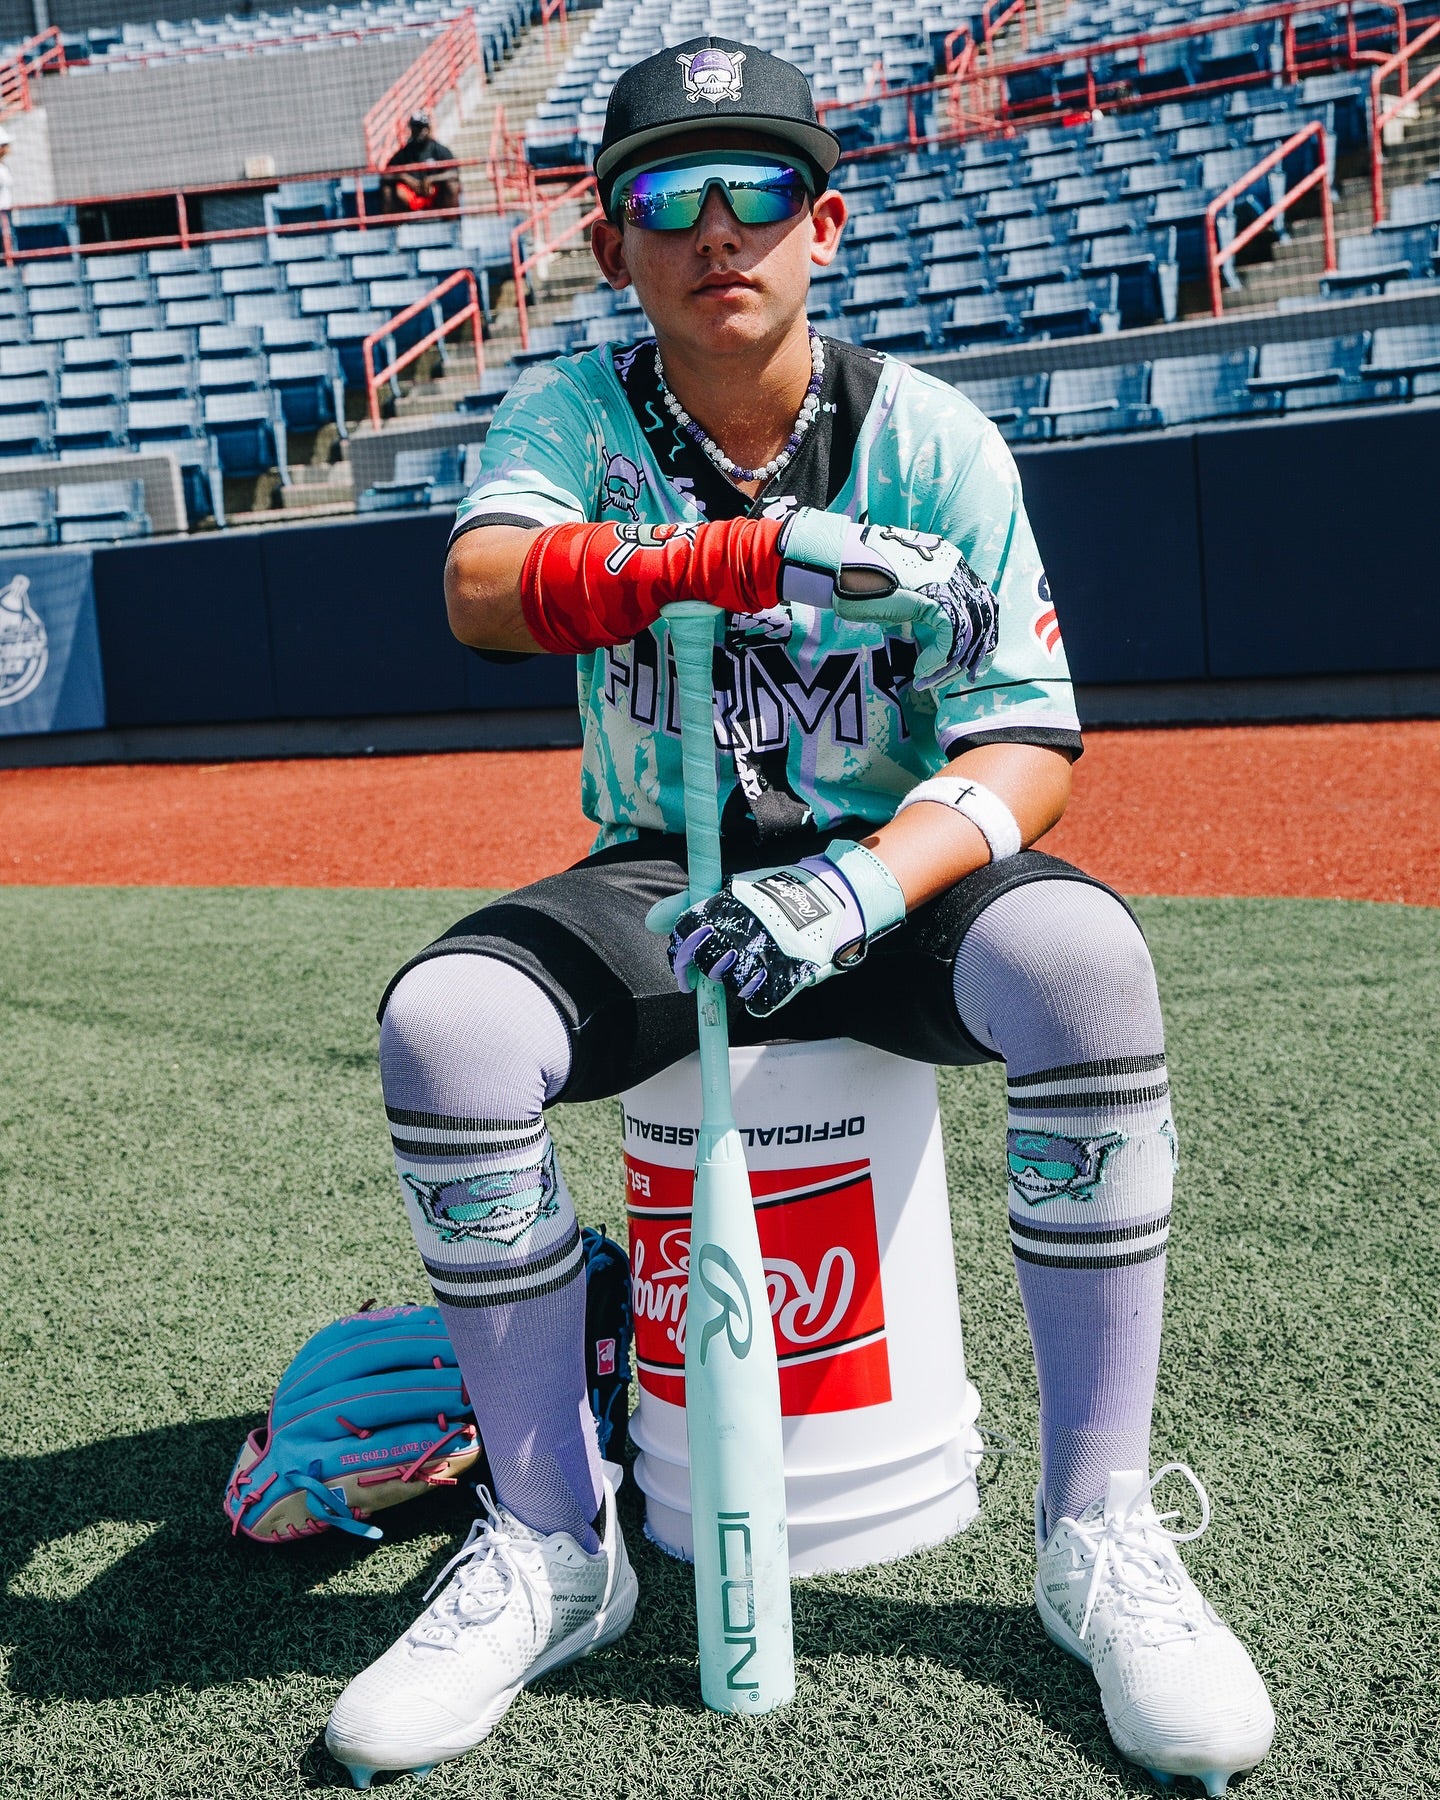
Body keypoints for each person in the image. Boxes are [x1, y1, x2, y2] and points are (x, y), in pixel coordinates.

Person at [324, 38, 1276, 1796]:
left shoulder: (928, 437)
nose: (717, 229)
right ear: (611, 244)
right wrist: (745, 558)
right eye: (666, 196)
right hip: (665, 877)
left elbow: (1029, 744)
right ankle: (555, 1541)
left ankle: (1100, 1529)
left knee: (1084, 961)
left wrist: (860, 885)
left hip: (887, 879)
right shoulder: (574, 418)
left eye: (758, 188)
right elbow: (481, 588)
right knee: (447, 1028)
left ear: (823, 224)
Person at [380, 110, 458, 214]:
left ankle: (451, 221)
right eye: (415, 127)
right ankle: (397, 223)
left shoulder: (439, 150)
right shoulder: (404, 153)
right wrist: (404, 177)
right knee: (390, 190)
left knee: (452, 185)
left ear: (428, 129)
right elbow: (385, 175)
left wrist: (432, 179)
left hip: (434, 194)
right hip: (412, 196)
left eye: (421, 127)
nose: (419, 131)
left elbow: (453, 172)